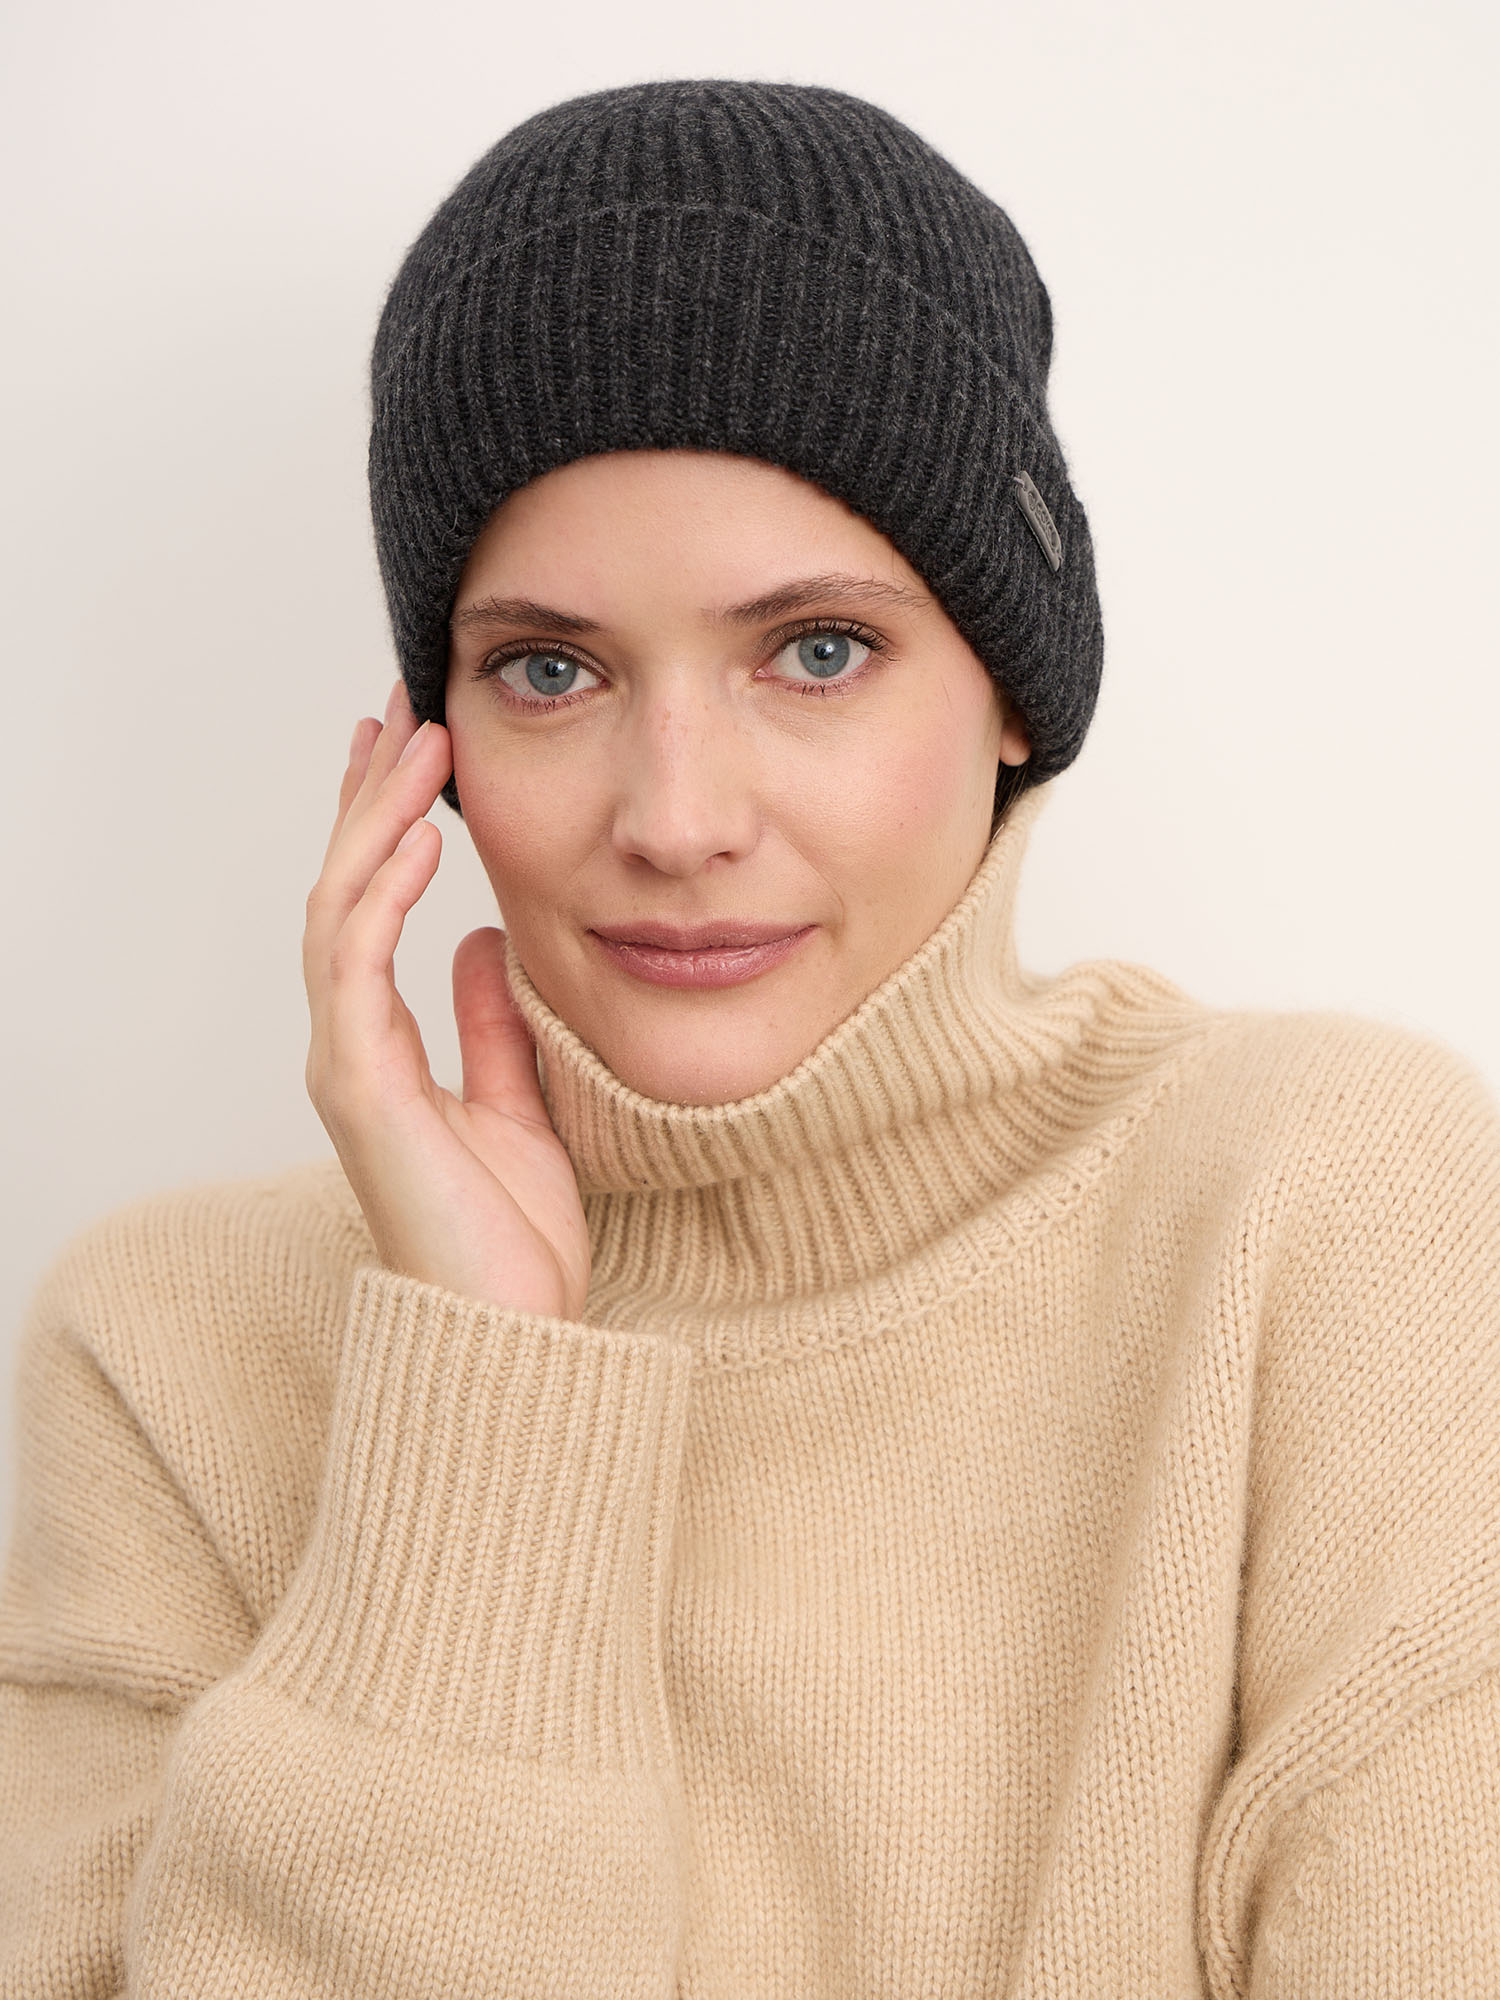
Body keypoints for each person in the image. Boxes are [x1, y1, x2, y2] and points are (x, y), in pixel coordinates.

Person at [2, 75, 1497, 1999]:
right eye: (551, 670)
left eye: (817, 651)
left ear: (1012, 686)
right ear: (434, 739)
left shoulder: (1330, 1216)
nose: (678, 817)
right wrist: (485, 1398)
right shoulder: (165, 1358)